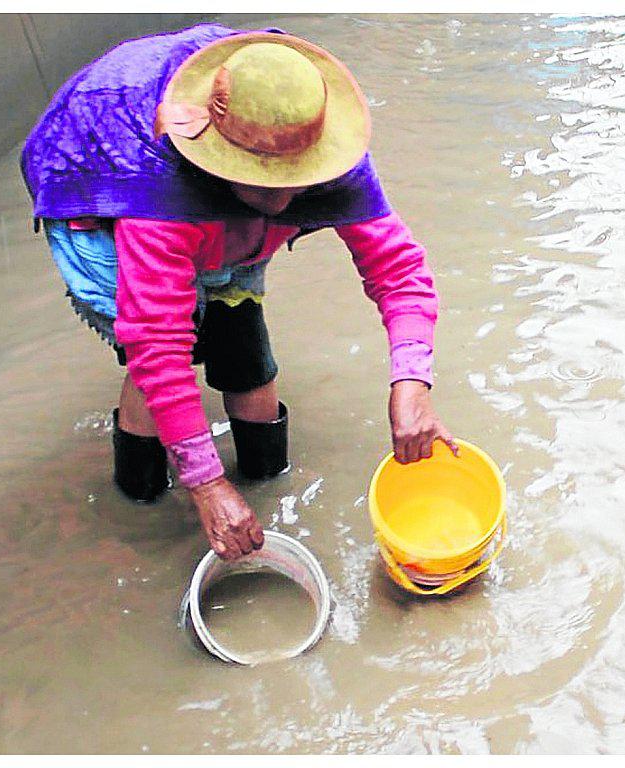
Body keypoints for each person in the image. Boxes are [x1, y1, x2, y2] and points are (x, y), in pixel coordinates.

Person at [22, 23, 457, 560]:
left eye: (295, 178)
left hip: (205, 200)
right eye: (261, 178)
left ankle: (261, 474)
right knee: (159, 354)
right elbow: (157, 340)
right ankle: (142, 506)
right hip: (97, 181)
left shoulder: (325, 149)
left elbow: (398, 270)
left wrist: (411, 385)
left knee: (236, 327)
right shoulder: (155, 185)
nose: (284, 196)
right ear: (225, 158)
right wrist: (206, 485)